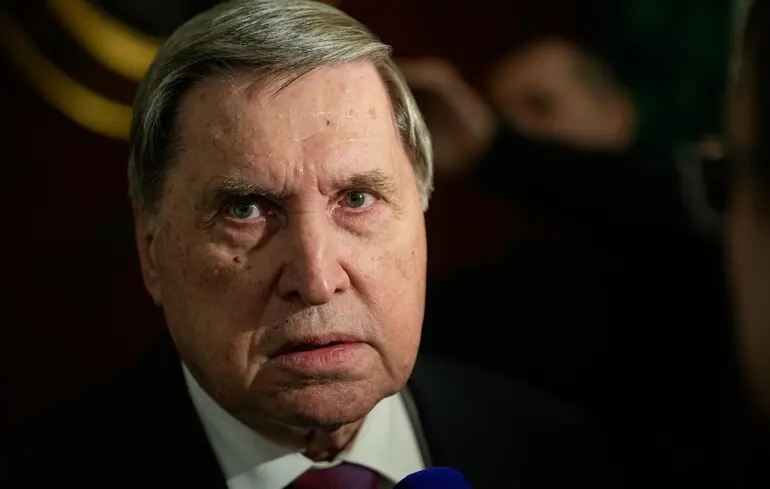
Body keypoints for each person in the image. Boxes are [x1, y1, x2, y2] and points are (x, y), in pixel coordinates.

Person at [0, 1, 625, 488]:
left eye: (357, 199)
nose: (318, 278)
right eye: (246, 209)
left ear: (423, 216)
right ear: (152, 250)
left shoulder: (563, 456)